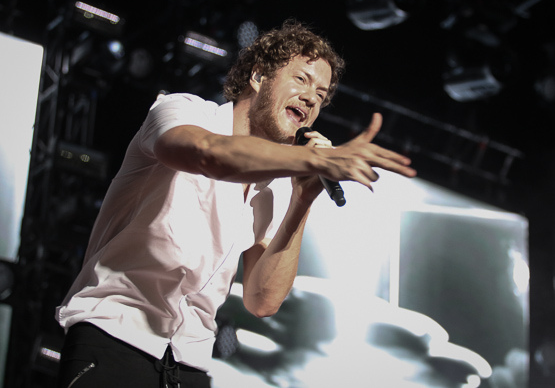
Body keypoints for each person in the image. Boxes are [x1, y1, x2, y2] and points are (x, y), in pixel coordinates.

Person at [54, 19, 416, 388]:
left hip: (188, 363)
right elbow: (209, 154)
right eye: (302, 79)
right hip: (115, 336)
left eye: (321, 95)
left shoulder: (278, 183)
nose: (311, 98)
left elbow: (262, 300)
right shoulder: (184, 111)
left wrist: (302, 199)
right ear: (258, 76)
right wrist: (310, 159)